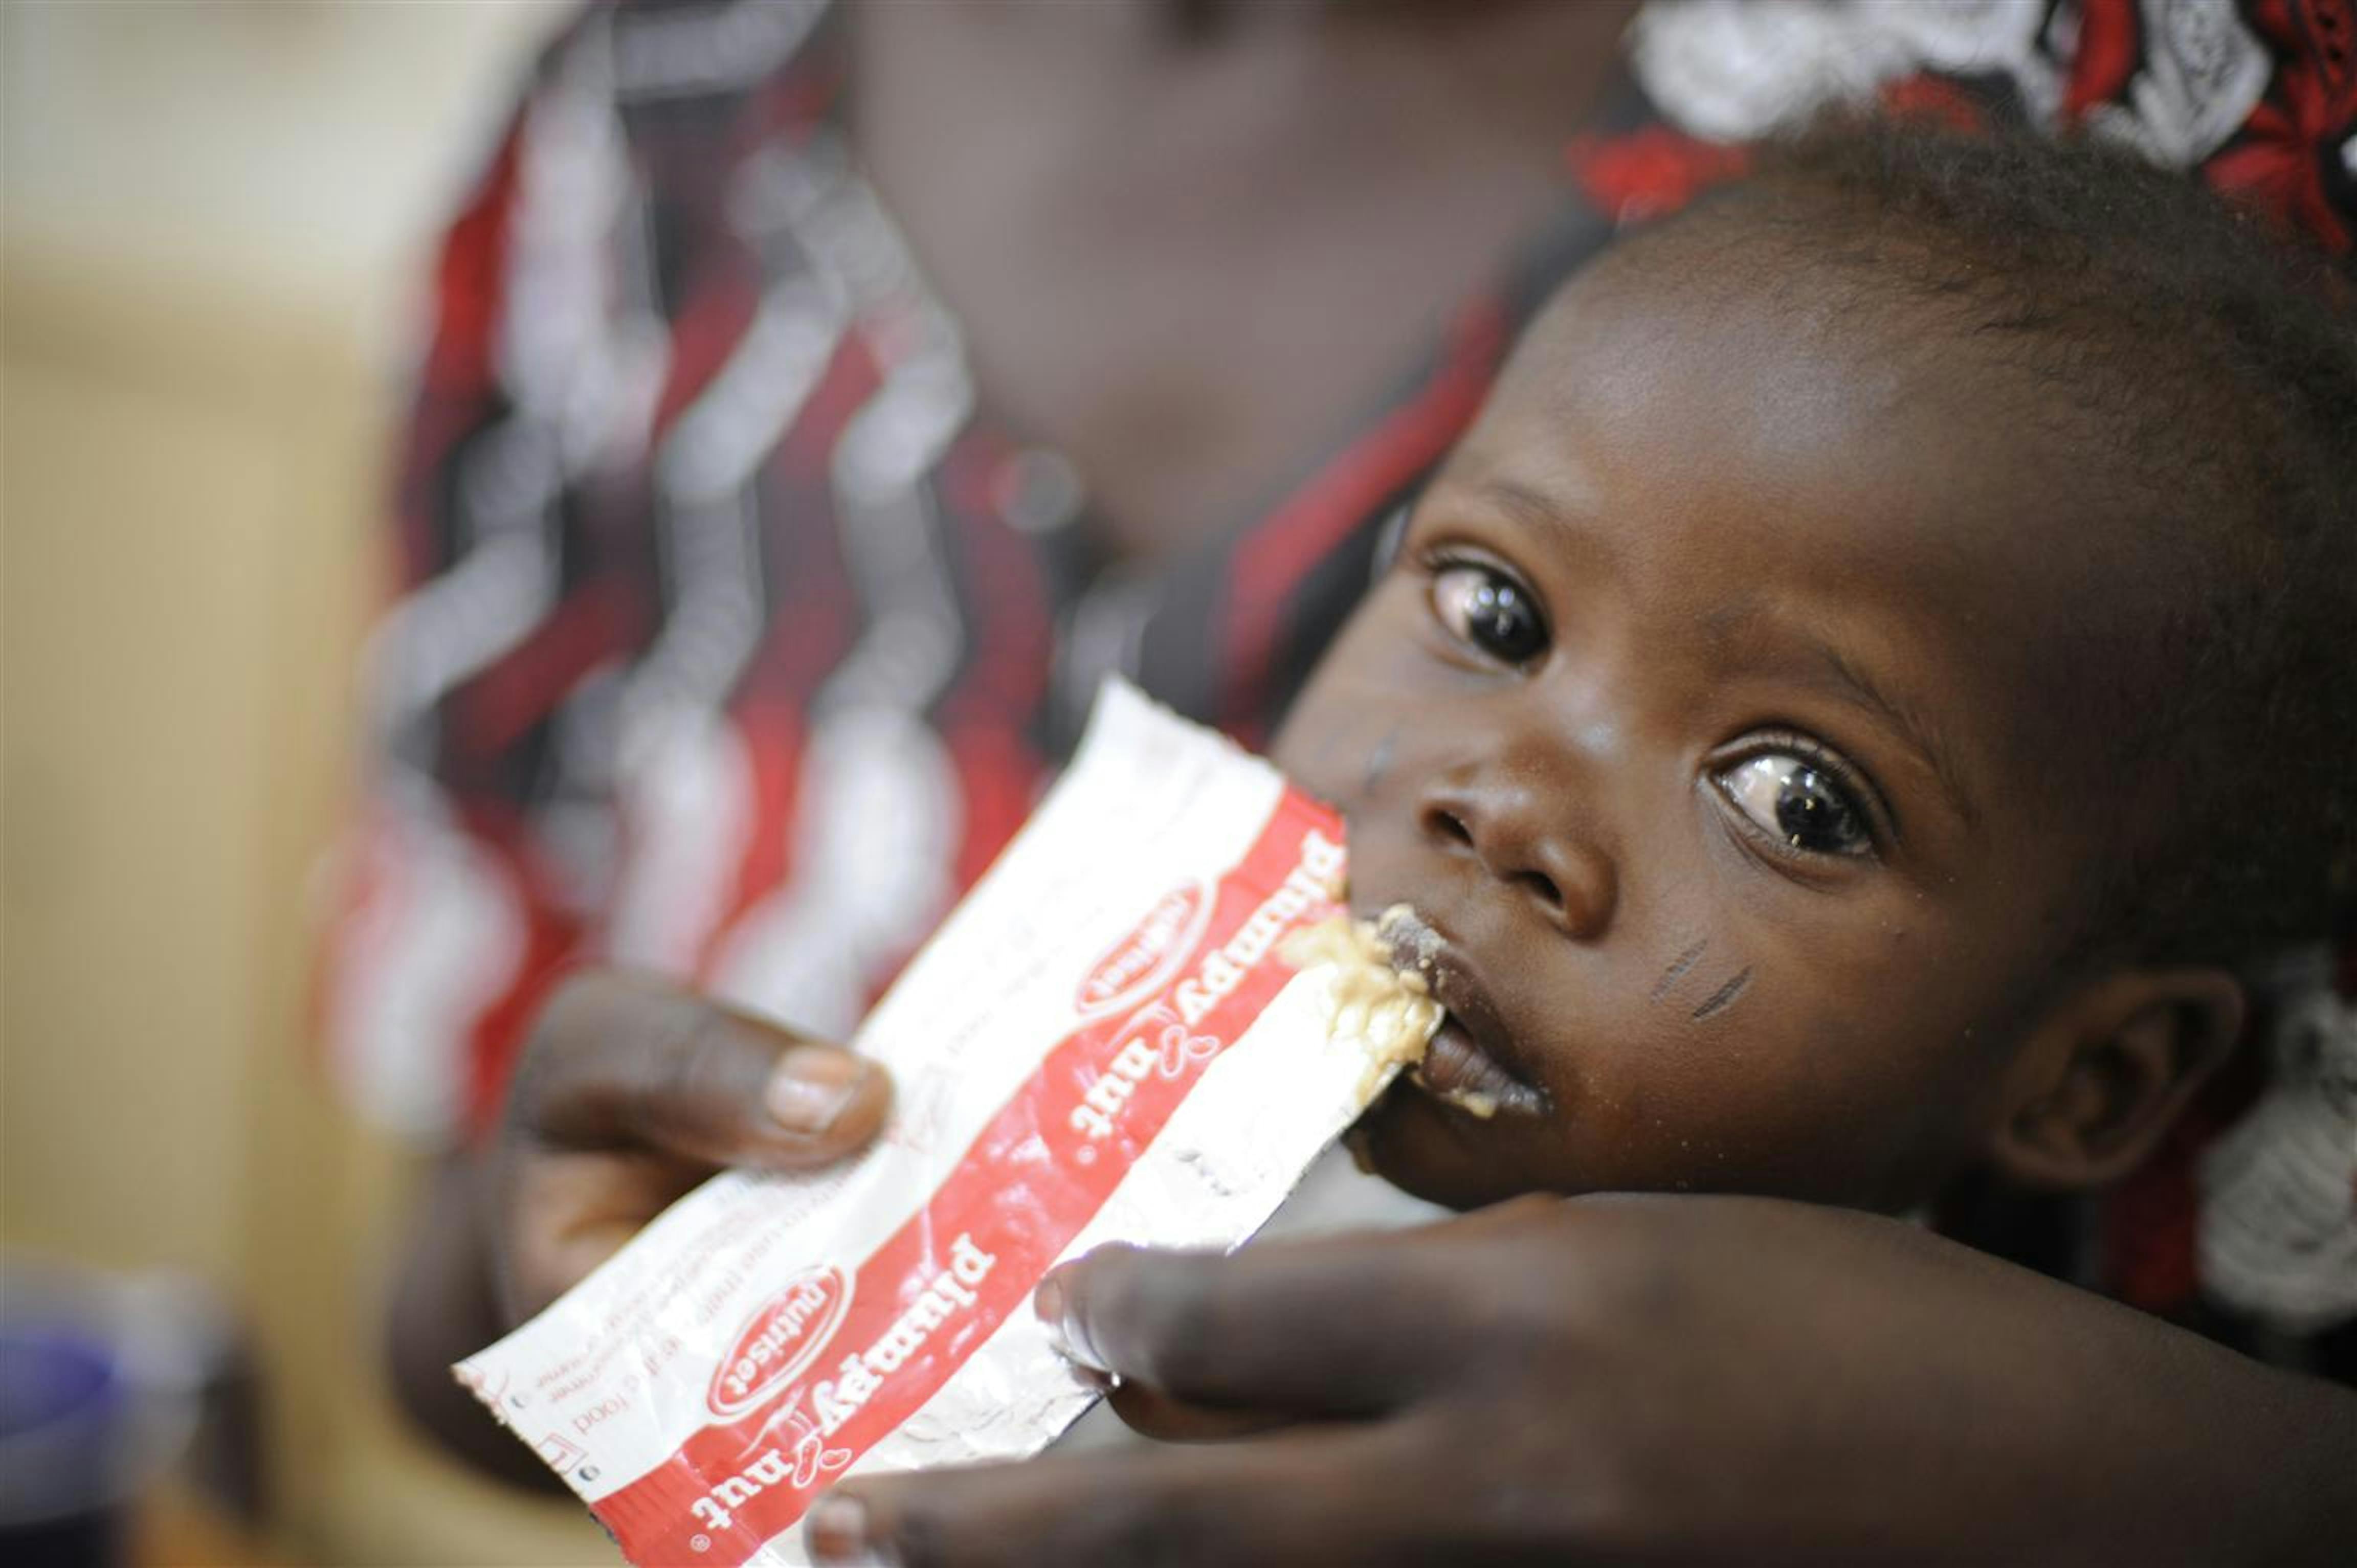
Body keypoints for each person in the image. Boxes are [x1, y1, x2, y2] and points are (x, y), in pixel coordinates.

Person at [345, 0, 2357, 1554]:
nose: (1502, 803)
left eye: (1797, 800)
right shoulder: (634, 122)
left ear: (2092, 1081)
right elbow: (452, 1341)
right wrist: (615, 1276)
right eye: (1486, 608)